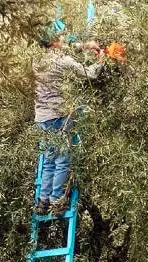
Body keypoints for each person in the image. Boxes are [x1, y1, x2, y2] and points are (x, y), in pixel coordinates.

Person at [33, 27, 104, 216]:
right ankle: (57, 202)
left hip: (41, 117)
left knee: (48, 159)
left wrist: (86, 46)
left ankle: (43, 202)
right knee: (62, 160)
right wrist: (102, 59)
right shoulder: (62, 61)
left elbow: (69, 48)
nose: (63, 39)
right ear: (54, 42)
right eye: (60, 37)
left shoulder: (38, 60)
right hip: (57, 117)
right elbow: (91, 74)